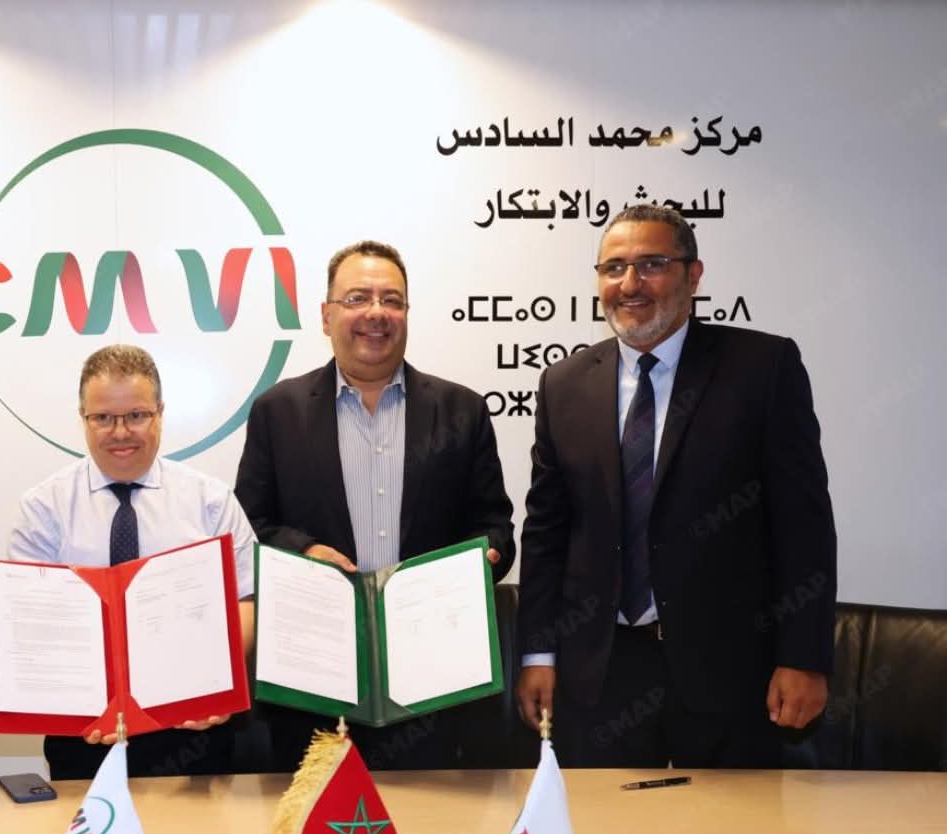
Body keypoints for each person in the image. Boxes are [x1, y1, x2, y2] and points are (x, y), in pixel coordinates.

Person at [515, 204, 836, 768]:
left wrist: (804, 657)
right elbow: (546, 534)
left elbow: (802, 525)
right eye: (614, 268)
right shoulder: (564, 384)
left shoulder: (763, 368)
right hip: (600, 675)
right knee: (604, 826)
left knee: (734, 827)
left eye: (652, 265)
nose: (630, 284)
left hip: (730, 674)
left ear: (694, 275)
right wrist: (538, 654)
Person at [234, 239, 515, 771]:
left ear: (407, 313)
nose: (376, 313)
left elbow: (494, 524)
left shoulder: (462, 409)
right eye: (357, 298)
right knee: (316, 820)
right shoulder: (277, 411)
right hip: (314, 681)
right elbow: (250, 528)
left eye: (392, 300)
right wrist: (306, 550)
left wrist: (486, 556)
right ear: (326, 316)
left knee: (431, 821)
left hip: (433, 682)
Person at [9, 344, 258, 780]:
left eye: (137, 415)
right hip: (83, 737)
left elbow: (246, 602)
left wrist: (213, 685)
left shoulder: (210, 502)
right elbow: (32, 623)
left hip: (192, 734)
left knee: (195, 830)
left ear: (160, 413)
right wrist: (70, 700)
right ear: (83, 418)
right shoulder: (44, 509)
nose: (120, 432)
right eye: (103, 418)